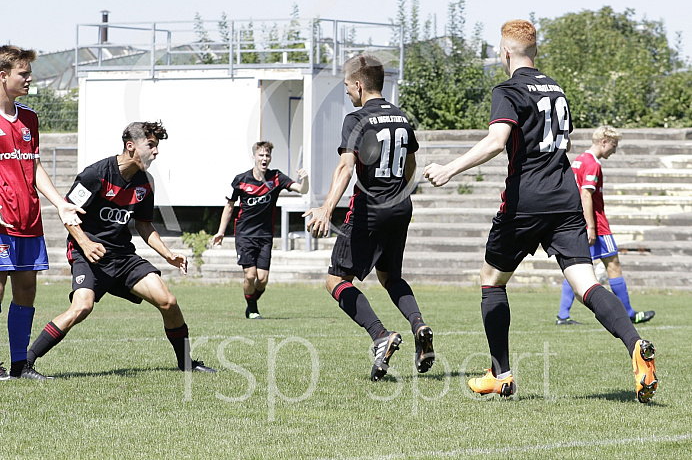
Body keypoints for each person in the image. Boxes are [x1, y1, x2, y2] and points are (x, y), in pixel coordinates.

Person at [423, 20, 657, 403]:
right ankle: (635, 344)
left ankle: (502, 373)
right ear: (535, 51)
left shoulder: (509, 89)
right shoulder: (556, 88)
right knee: (588, 283)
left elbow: (497, 141)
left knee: (491, 281)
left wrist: (449, 168)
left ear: (505, 52)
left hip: (526, 200)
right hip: (565, 198)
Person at [23, 121, 215, 379]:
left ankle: (186, 363)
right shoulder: (96, 174)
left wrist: (168, 254)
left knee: (168, 301)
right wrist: (86, 243)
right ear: (131, 146)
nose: (156, 152)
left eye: (157, 146)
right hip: (88, 253)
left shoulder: (145, 183)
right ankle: (25, 364)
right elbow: (67, 213)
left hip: (123, 256)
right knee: (82, 307)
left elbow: (144, 225)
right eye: (151, 146)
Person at [303, 54, 435, 382]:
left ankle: (380, 336)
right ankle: (419, 325)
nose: (347, 92)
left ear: (359, 85)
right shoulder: (402, 118)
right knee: (390, 276)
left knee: (336, 279)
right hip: (400, 207)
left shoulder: (356, 119)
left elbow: (346, 167)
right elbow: (410, 166)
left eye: (347, 86)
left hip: (369, 211)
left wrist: (326, 208)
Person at [0, 45, 84, 380]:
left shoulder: (30, 118)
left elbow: (34, 168)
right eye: (23, 73)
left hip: (28, 220)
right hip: (2, 223)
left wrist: (60, 202)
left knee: (26, 290)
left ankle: (20, 365)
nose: (29, 79)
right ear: (2, 75)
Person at [556, 126, 655, 325]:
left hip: (577, 222)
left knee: (576, 268)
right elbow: (586, 195)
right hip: (596, 225)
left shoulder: (578, 160)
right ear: (603, 142)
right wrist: (591, 226)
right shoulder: (593, 164)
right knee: (613, 265)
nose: (614, 150)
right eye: (613, 145)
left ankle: (563, 315)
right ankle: (628, 313)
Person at [212, 141, 309, 319]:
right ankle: (252, 308)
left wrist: (305, 179)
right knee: (250, 276)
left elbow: (302, 190)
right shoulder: (241, 180)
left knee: (262, 279)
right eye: (261, 155)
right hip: (244, 235)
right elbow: (229, 206)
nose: (264, 158)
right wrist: (221, 231)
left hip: (265, 235)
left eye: (267, 155)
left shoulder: (276, 178)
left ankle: (251, 302)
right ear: (254, 157)